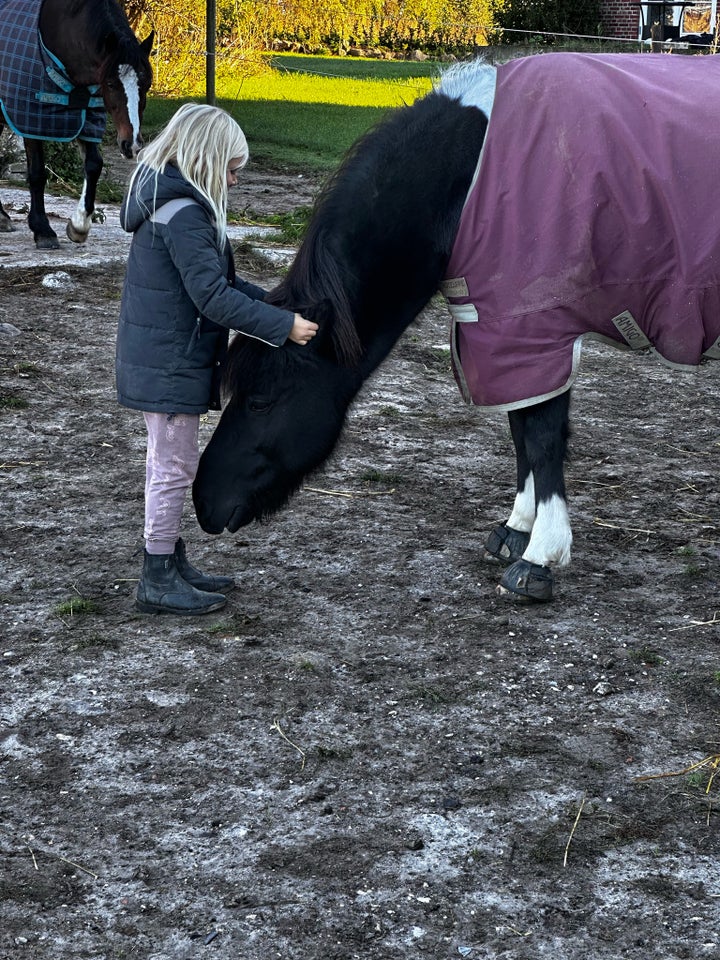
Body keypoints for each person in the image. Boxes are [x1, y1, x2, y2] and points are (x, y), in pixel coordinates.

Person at [116, 103, 318, 616]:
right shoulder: (184, 216)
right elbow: (213, 298)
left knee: (169, 463)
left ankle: (169, 559)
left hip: (168, 360)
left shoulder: (175, 206)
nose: (233, 181)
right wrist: (282, 328)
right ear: (206, 160)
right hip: (169, 366)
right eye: (231, 169)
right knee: (172, 467)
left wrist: (278, 304)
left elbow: (221, 285)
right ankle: (156, 576)